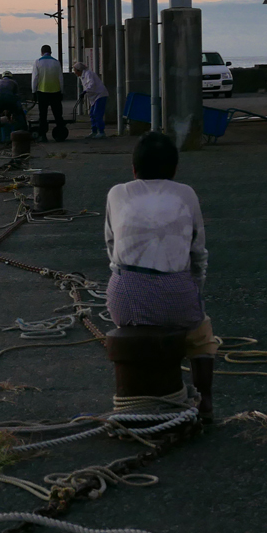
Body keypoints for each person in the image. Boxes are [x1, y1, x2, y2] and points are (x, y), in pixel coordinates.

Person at [104, 131, 217, 421]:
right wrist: (192, 291)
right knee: (201, 336)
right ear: (174, 169)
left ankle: (139, 388)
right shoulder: (186, 194)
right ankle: (205, 401)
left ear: (134, 169)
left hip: (125, 298)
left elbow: (111, 246)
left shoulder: (116, 193)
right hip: (177, 294)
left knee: (134, 317)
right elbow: (198, 254)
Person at [31, 45, 65, 141]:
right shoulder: (56, 62)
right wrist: (61, 91)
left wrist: (34, 91)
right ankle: (60, 135)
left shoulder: (38, 62)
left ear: (41, 52)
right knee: (58, 115)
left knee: (43, 115)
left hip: (42, 91)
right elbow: (60, 78)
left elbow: (35, 78)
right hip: (55, 91)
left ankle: (43, 135)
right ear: (51, 52)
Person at [73, 62, 110, 139]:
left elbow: (91, 84)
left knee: (97, 113)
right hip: (94, 96)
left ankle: (101, 132)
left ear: (79, 70)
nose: (74, 72)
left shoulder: (88, 74)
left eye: (75, 70)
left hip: (100, 94)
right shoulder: (83, 76)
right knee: (92, 114)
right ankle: (94, 131)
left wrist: (85, 91)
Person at [0, 70, 26, 139]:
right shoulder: (14, 82)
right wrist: (19, 109)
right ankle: (23, 131)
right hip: (10, 98)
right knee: (18, 114)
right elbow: (17, 96)